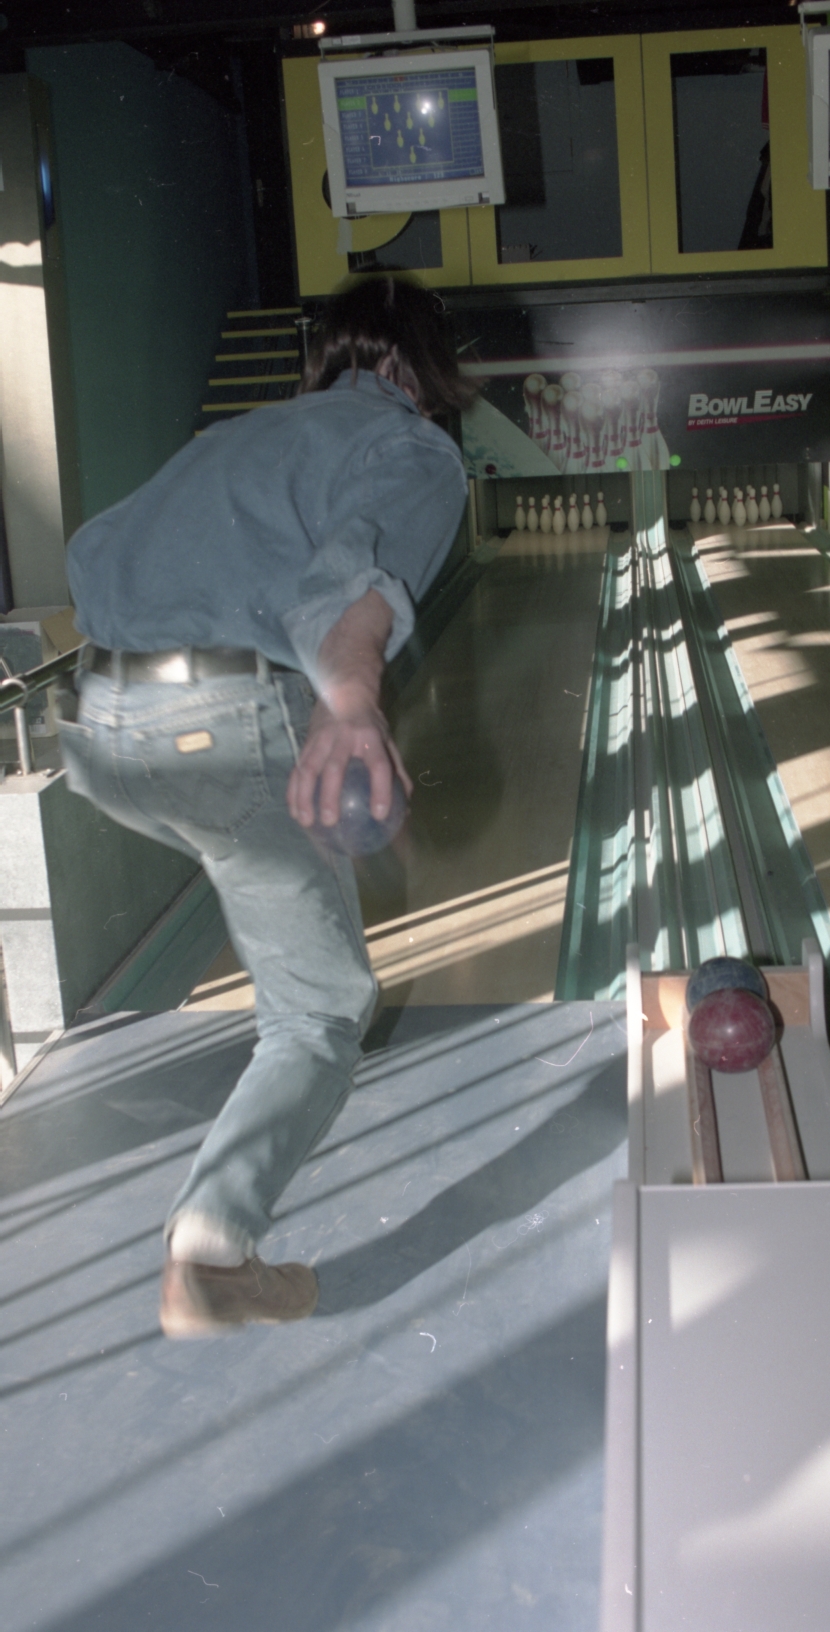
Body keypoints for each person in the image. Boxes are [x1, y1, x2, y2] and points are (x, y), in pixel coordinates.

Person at [58, 276, 476, 1337]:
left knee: (248, 849)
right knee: (322, 1007)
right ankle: (214, 1248)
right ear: (410, 364)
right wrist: (348, 703)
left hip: (100, 732)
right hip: (225, 727)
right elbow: (350, 586)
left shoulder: (233, 437)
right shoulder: (415, 449)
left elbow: (95, 554)